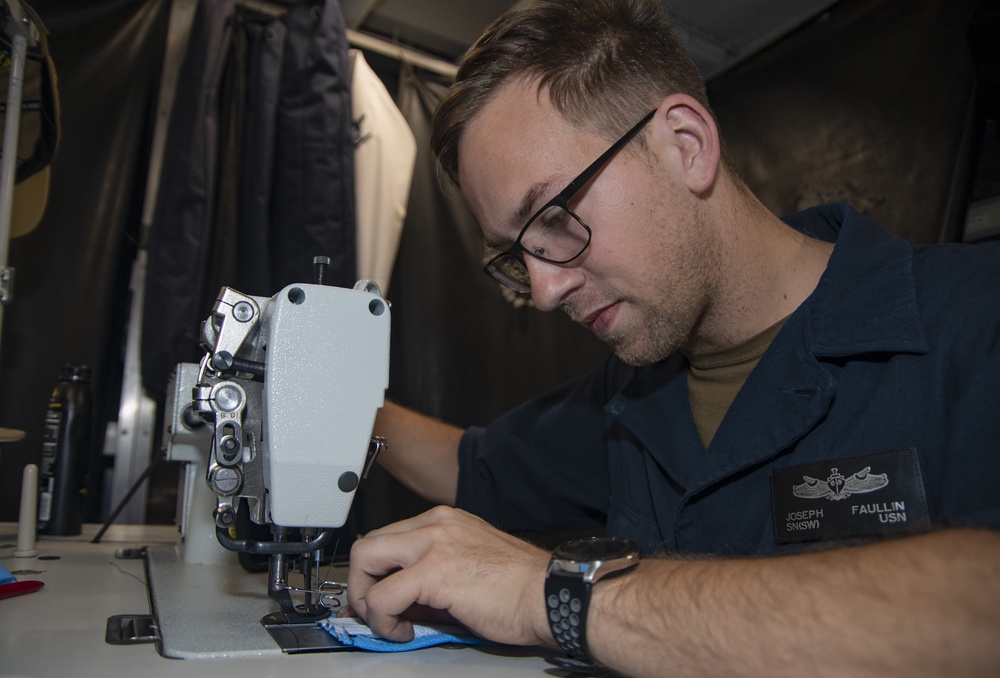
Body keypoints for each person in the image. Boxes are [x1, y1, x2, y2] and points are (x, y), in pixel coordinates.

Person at [345, 0, 1000, 675]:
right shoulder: (631, 394)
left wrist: (556, 596)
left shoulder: (973, 317)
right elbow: (471, 468)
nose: (542, 292)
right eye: (517, 255)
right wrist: (345, 412)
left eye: (556, 218)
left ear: (686, 146)